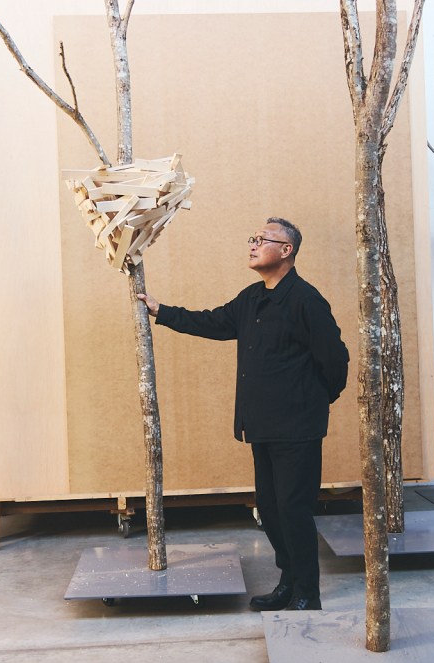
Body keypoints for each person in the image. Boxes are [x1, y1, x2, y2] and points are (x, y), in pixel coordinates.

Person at [138, 217, 349, 611]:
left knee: (294, 510)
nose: (253, 244)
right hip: (262, 425)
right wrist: (160, 310)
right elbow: (212, 321)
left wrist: (314, 402)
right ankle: (288, 581)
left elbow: (336, 360)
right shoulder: (252, 298)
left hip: (297, 428)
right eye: (252, 238)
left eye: (262, 239)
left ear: (286, 250)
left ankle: (308, 593)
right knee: (270, 510)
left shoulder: (306, 300)